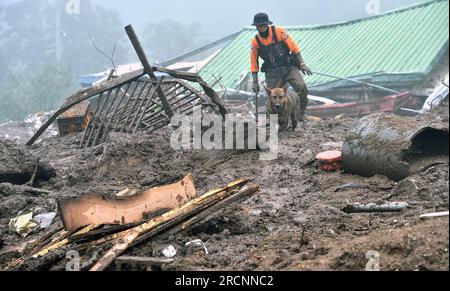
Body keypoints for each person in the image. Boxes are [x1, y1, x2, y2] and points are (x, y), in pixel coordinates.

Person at [250, 13, 313, 121]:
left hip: (288, 67)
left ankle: (301, 112)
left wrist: (302, 64)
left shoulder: (279, 32)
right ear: (256, 27)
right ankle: (275, 119)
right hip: (272, 72)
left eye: (264, 25)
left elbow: (294, 48)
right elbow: (253, 62)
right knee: (273, 95)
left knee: (300, 86)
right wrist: (255, 81)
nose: (262, 27)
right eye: (259, 26)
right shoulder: (255, 41)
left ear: (267, 24)